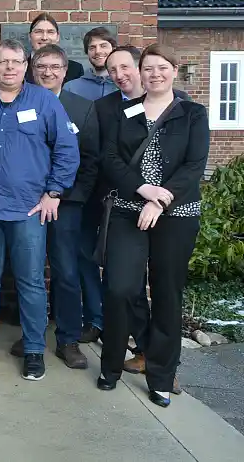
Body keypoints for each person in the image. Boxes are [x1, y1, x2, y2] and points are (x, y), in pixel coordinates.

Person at [98, 44, 208, 408]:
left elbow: (194, 165)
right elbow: (110, 158)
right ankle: (111, 365)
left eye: (162, 67)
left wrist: (159, 200)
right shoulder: (127, 110)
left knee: (166, 294)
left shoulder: (192, 113)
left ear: (175, 70)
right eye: (148, 68)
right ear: (140, 73)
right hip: (129, 210)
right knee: (119, 288)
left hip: (176, 215)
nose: (155, 74)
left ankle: (161, 376)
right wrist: (142, 189)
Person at [0, 39, 79, 381]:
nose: (9, 68)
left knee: (30, 281)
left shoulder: (43, 101)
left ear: (25, 64)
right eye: (3, 62)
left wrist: (54, 193)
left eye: (16, 62)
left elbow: (66, 149)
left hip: (29, 209)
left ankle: (33, 350)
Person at [19, 44, 100, 370]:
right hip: (27, 203)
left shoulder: (82, 108)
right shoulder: (20, 102)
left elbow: (91, 161)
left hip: (66, 204)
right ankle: (32, 335)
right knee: (29, 272)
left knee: (66, 272)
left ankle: (67, 339)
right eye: (42, 66)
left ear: (66, 71)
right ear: (33, 70)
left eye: (55, 66)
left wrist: (63, 195)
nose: (48, 72)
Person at [24, 13, 84, 84]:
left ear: (58, 37)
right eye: (39, 32)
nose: (44, 37)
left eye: (50, 32)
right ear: (30, 36)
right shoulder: (18, 68)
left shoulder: (75, 69)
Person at [64, 27, 119, 100]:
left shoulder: (124, 84)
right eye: (92, 48)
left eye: (103, 46)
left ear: (113, 49)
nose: (98, 51)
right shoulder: (70, 88)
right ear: (87, 52)